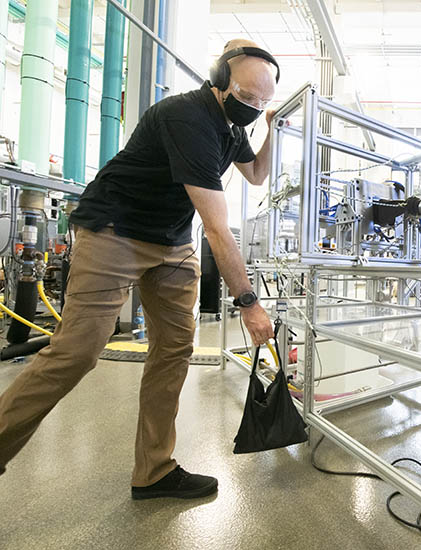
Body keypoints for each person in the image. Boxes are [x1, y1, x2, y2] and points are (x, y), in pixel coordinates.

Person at [0, 39, 278, 500]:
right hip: (116, 230)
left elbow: (257, 175)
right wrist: (248, 303)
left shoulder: (233, 126)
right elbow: (215, 227)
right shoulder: (186, 117)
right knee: (77, 352)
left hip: (169, 242)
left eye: (262, 101)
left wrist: (272, 126)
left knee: (173, 349)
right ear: (220, 80)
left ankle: (153, 470)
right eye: (248, 97)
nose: (253, 107)